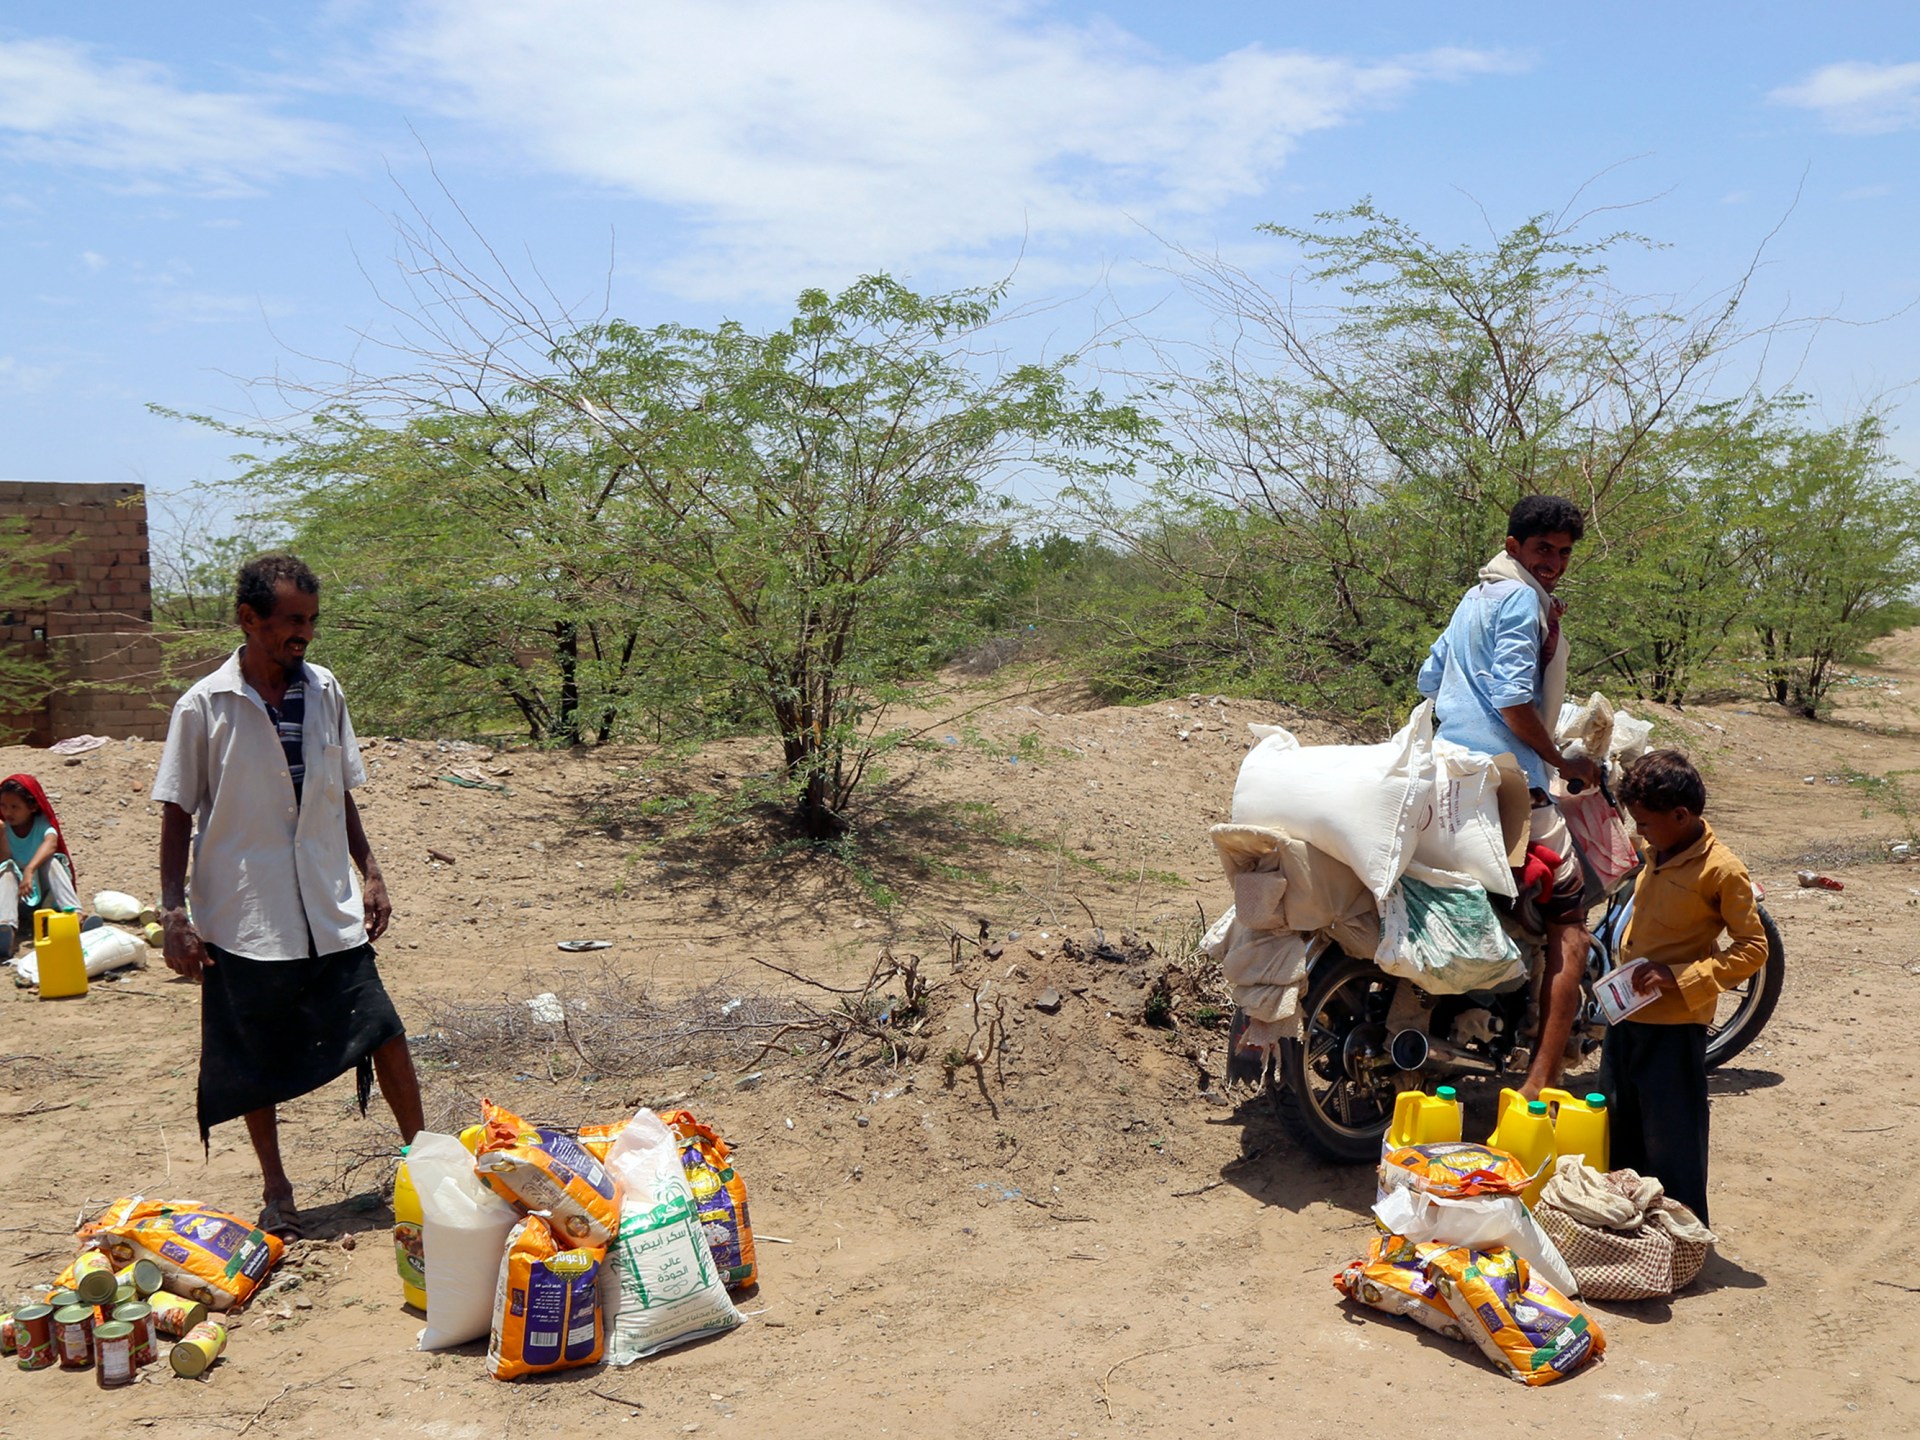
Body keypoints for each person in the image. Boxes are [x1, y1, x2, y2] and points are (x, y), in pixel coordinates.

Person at [153, 553, 423, 1239]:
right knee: (254, 1060)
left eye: (311, 621)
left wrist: (372, 870)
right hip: (245, 912)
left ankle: (423, 1164)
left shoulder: (325, 690)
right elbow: (177, 812)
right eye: (290, 621)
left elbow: (340, 792)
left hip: (327, 905)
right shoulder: (204, 706)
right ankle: (277, 1190)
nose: (303, 634)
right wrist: (172, 914)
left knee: (383, 1029)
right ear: (249, 619)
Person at [1417, 495, 1600, 1099]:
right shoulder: (1522, 599)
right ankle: (1540, 1079)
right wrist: (1560, 758)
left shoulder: (1478, 597)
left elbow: (1428, 678)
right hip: (1507, 778)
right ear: (1514, 545)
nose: (1553, 562)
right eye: (1543, 550)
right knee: (1570, 922)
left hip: (1448, 768)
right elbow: (1513, 699)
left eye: (1564, 553)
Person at [1601, 749, 1768, 1225]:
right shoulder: (1657, 850)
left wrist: (1681, 978)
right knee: (1620, 1128)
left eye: (1646, 823)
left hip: (1674, 1025)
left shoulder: (1722, 870)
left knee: (1672, 1140)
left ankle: (1684, 1237)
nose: (1640, 833)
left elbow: (1753, 949)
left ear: (1681, 815)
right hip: (1628, 1015)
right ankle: (1630, 1231)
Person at [0, 773, 82, 957]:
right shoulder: (3, 827)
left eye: (15, 807)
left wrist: (30, 869)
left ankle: (75, 916)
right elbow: (4, 860)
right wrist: (3, 835)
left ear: (33, 806)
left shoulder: (41, 824)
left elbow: (52, 843)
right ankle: (6, 928)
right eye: (3, 806)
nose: (8, 812)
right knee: (7, 871)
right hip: (16, 899)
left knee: (52, 861)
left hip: (45, 896)